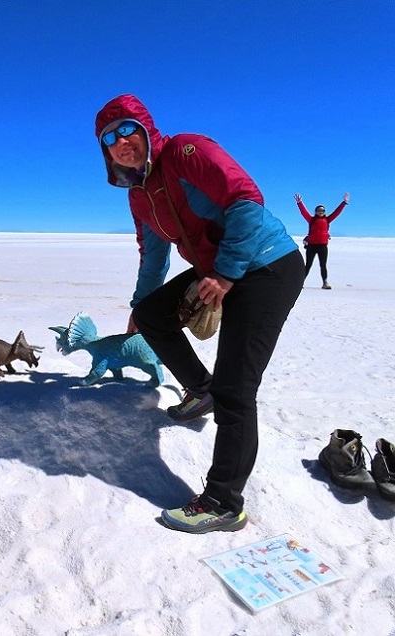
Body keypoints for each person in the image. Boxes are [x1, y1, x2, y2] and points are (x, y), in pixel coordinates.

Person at [95, 94, 305, 534]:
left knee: (237, 388)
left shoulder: (187, 151)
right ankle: (199, 389)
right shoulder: (139, 195)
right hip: (218, 269)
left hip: (267, 264)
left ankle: (224, 502)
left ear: (146, 130)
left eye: (127, 129)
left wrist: (226, 276)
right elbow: (152, 257)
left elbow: (246, 200)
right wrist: (139, 306)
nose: (120, 141)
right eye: (109, 138)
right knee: (152, 314)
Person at [294, 192, 349, 289]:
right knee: (308, 265)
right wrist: (299, 203)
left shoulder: (327, 220)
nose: (321, 212)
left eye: (322, 211)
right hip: (312, 246)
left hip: (322, 246)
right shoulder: (311, 220)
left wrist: (344, 203)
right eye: (319, 210)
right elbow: (304, 212)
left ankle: (325, 282)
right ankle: (300, 282)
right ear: (315, 211)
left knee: (323, 265)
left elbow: (337, 212)